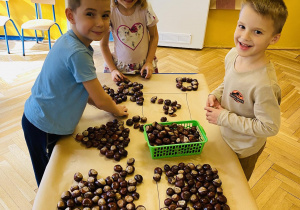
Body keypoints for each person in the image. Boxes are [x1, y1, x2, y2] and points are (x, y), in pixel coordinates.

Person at [22, 0, 128, 186]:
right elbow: (100, 100)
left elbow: (85, 91)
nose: (100, 23)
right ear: (70, 15)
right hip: (43, 124)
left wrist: (103, 103)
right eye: (90, 14)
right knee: (49, 176)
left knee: (53, 169)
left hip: (43, 115)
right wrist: (116, 110)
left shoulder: (69, 40)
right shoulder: (77, 53)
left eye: (105, 15)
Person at [204, 0, 288, 180]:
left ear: (273, 38)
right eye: (241, 26)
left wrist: (223, 118)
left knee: (235, 188)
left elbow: (269, 127)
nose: (245, 36)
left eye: (257, 31)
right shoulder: (233, 54)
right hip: (224, 135)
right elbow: (228, 82)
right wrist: (216, 94)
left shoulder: (264, 85)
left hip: (244, 149)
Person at [100, 0, 159, 82]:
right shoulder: (109, 11)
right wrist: (113, 69)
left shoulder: (145, 8)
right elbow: (104, 45)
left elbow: (154, 36)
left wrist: (149, 62)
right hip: (119, 68)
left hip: (145, 65)